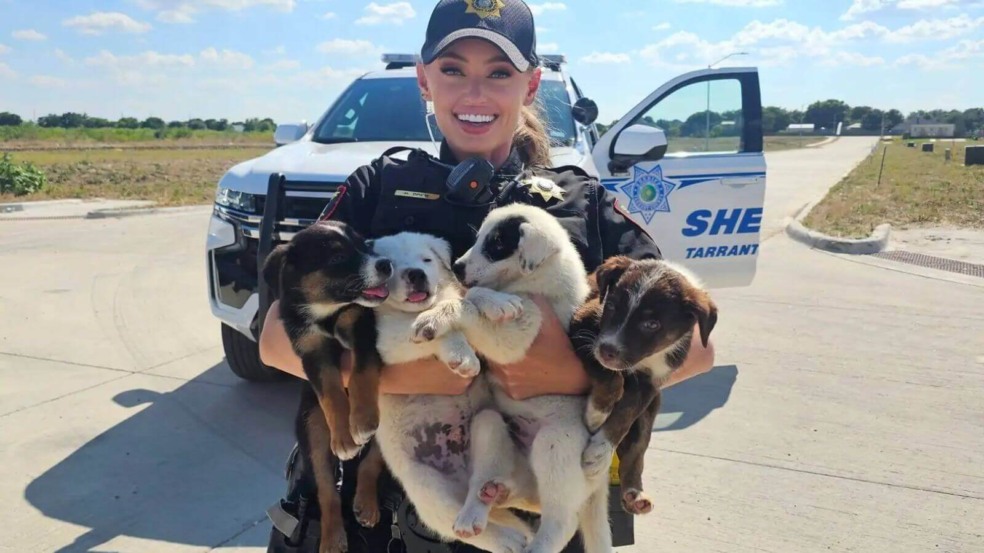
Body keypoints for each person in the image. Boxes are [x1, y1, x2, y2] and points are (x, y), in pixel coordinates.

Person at [259, 1, 715, 551]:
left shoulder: (580, 201)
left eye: (498, 73)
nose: (474, 94)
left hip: (537, 495)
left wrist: (573, 376)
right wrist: (420, 377)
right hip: (381, 518)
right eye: (452, 70)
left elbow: (695, 350)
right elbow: (277, 341)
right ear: (425, 80)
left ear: (531, 85)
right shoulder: (376, 187)